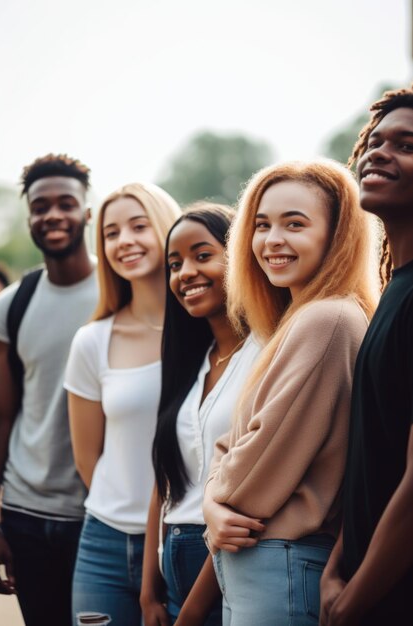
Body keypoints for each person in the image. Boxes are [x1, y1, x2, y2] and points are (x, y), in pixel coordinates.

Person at [203, 159, 377, 626]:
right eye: (261, 225)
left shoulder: (328, 320)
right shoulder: (299, 319)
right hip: (265, 559)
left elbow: (263, 454)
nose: (271, 240)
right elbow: (231, 440)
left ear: (336, 234)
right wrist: (210, 499)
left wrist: (216, 498)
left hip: (281, 559)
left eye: (294, 224)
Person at [64, 182, 181, 626]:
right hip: (104, 544)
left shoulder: (208, 330)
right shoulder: (92, 341)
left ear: (167, 227)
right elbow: (86, 457)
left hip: (185, 540)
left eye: (138, 225)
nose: (124, 241)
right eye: (111, 233)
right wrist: (124, 512)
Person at [140, 204, 261, 626]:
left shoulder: (267, 353)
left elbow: (250, 496)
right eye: (174, 264)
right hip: (170, 558)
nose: (185, 272)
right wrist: (147, 590)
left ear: (240, 256)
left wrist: (190, 612)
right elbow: (165, 475)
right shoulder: (191, 361)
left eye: (202, 255)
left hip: (225, 561)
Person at [319, 87, 413, 626]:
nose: (378, 152)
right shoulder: (392, 291)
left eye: (406, 144)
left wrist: (353, 600)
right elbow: (373, 459)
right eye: (375, 141)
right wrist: (338, 565)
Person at [0, 154, 98, 626]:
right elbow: (1, 416)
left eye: (65, 203)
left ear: (87, 212)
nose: (52, 215)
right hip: (25, 514)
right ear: (30, 217)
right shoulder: (11, 305)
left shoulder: (121, 293)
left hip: (99, 515)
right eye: (40, 206)